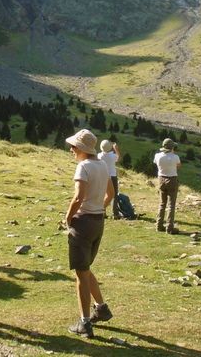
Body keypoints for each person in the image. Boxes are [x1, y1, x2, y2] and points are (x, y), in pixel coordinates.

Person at [65, 129, 115, 338]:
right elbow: (111, 193)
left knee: (80, 273)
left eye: (74, 147)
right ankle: (101, 308)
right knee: (85, 269)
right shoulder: (103, 165)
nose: (71, 150)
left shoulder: (83, 167)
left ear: (81, 149)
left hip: (83, 223)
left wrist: (68, 217)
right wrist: (100, 208)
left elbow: (78, 197)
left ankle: (85, 322)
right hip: (98, 221)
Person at [154, 138, 181, 234]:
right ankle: (169, 228)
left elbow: (156, 163)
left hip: (161, 179)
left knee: (162, 203)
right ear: (171, 147)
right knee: (171, 205)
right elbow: (178, 166)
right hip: (172, 179)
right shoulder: (175, 157)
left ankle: (159, 225)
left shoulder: (157, 156)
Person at [98, 139, 123, 219]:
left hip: (102, 176)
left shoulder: (99, 155)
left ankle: (103, 212)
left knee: (104, 194)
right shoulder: (112, 156)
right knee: (114, 194)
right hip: (112, 176)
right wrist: (116, 149)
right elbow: (119, 158)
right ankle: (115, 213)